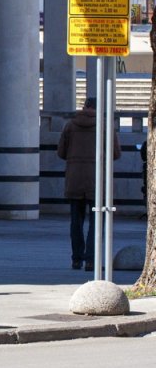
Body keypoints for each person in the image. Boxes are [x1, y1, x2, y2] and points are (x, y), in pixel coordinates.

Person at [57, 97, 120, 271]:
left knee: (76, 221)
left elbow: (61, 152)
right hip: (97, 180)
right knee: (96, 221)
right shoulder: (105, 126)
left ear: (84, 106)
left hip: (74, 178)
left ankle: (76, 259)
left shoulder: (70, 125)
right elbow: (115, 153)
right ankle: (91, 260)